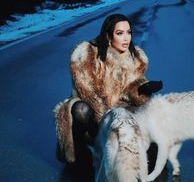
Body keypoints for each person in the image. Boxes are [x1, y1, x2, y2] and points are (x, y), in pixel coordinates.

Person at [54, 13, 162, 165]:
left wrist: (143, 88)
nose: (126, 38)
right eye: (120, 33)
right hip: (93, 116)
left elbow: (130, 88)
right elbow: (88, 91)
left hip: (118, 113)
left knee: (152, 107)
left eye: (129, 32)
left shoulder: (135, 57)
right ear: (108, 36)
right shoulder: (86, 54)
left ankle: (149, 155)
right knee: (80, 109)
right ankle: (79, 155)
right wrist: (110, 120)